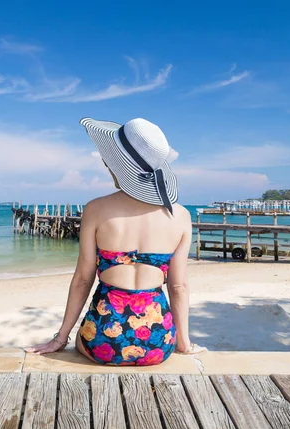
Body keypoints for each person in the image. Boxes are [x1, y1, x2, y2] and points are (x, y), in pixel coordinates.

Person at [26, 117, 207, 365]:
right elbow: (178, 287)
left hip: (102, 342)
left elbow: (82, 280)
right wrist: (183, 343)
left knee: (86, 337)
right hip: (158, 344)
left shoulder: (96, 209)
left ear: (116, 165)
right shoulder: (181, 216)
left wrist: (60, 338)